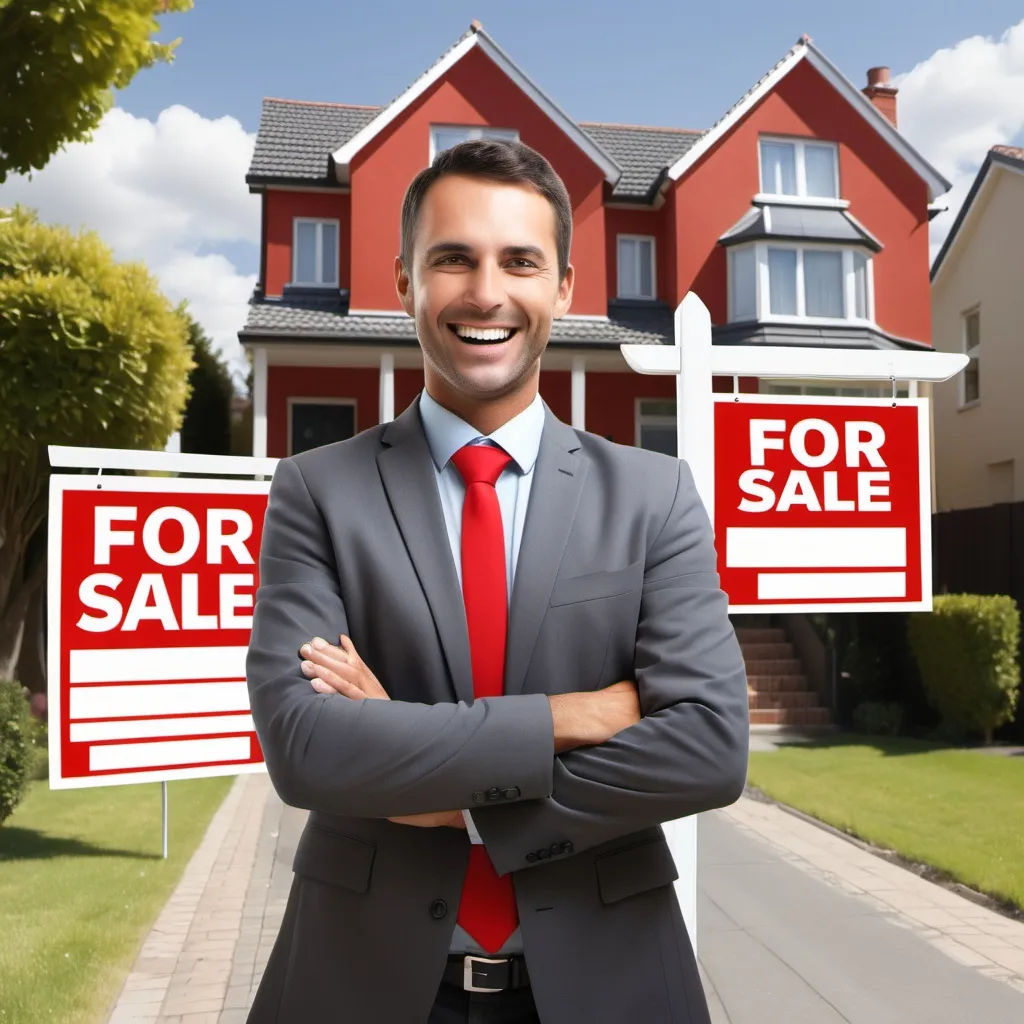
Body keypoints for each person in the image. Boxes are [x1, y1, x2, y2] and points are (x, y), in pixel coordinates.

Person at [245, 138, 749, 1024]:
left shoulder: (653, 494)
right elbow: (307, 747)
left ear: (561, 288)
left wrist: (462, 807)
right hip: (360, 982)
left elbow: (708, 746)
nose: (486, 293)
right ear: (404, 281)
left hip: (613, 984)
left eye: (520, 261)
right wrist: (573, 715)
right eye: (453, 259)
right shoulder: (318, 491)